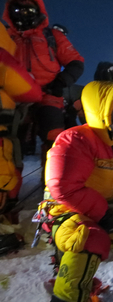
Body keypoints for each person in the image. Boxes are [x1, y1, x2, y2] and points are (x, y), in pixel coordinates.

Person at [37, 81, 113, 302]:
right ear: (100, 108)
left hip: (99, 209)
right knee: (90, 237)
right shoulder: (77, 138)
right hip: (65, 211)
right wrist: (104, 214)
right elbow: (63, 187)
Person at [2, 0, 84, 166]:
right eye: (18, 9)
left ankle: (53, 184)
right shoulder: (4, 36)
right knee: (7, 143)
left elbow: (76, 62)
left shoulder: (52, 36)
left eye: (29, 9)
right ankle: (8, 187)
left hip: (48, 94)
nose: (23, 14)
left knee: (54, 137)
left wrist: (61, 83)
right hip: (13, 96)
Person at [0, 21, 42, 214]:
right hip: (4, 129)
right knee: (11, 154)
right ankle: (9, 204)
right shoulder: (3, 59)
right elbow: (31, 92)